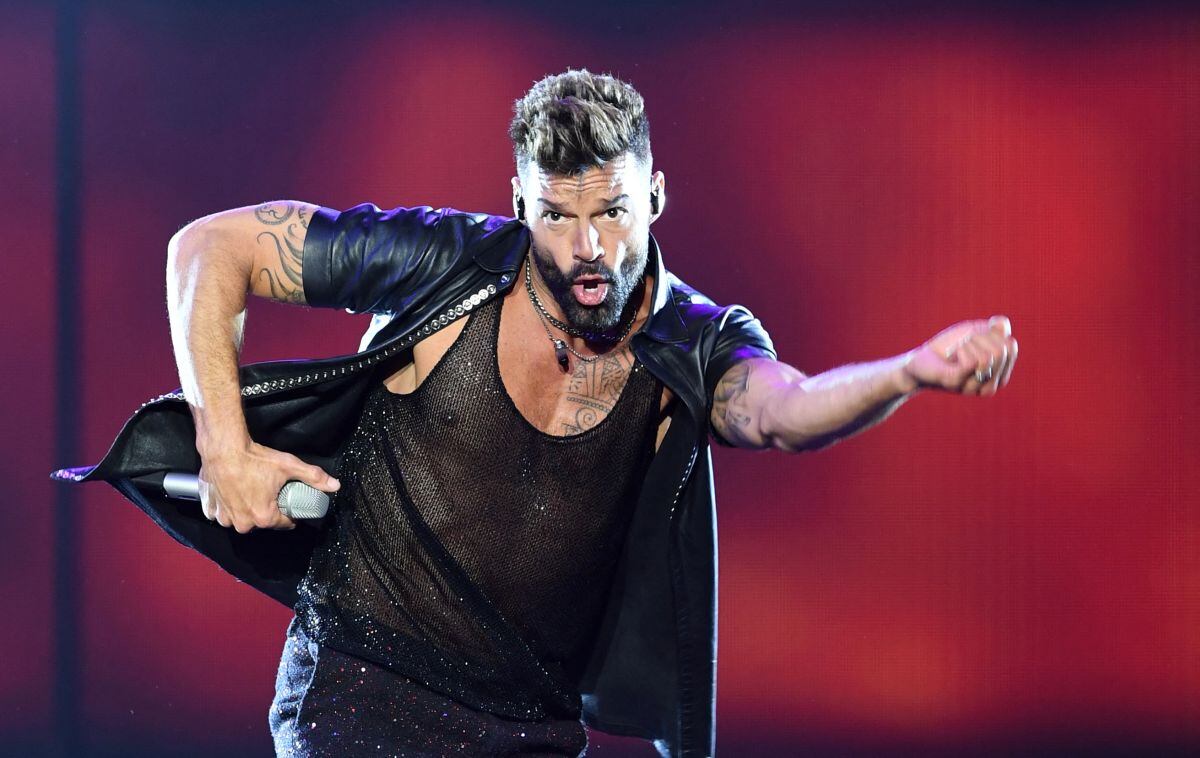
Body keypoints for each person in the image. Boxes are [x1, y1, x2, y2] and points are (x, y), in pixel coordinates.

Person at [55, 68, 1017, 757]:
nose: (590, 245)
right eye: (558, 215)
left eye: (616, 211)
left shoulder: (693, 340)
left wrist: (907, 372)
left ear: (657, 198)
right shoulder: (440, 264)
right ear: (520, 202)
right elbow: (206, 249)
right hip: (359, 691)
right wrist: (224, 446)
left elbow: (784, 409)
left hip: (533, 727)